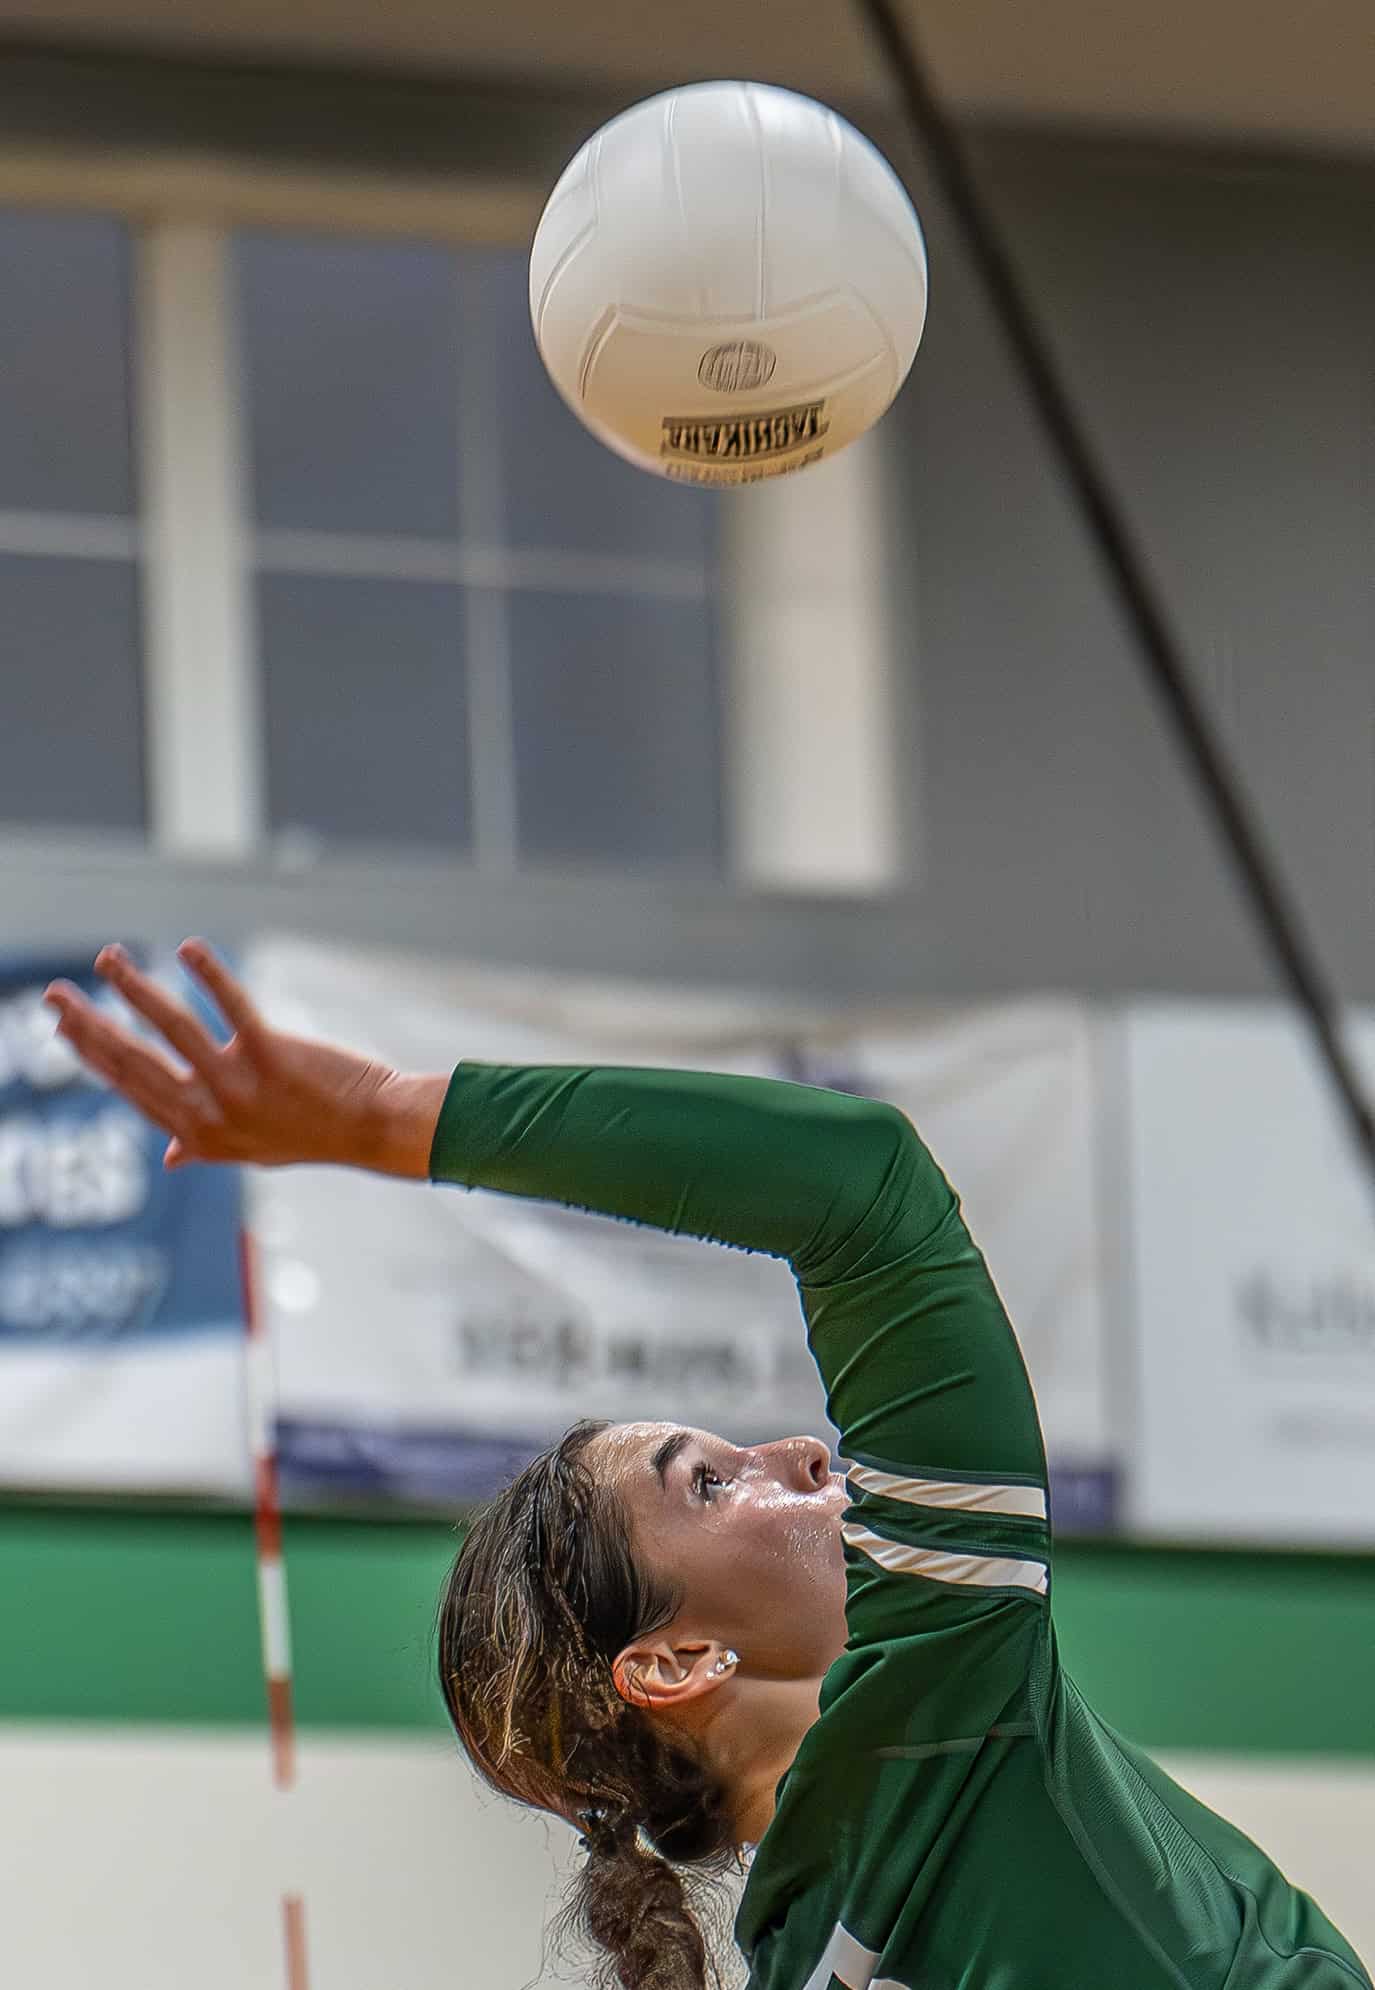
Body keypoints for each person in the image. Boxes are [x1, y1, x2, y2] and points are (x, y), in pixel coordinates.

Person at [46, 940, 1371, 1990]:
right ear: (677, 1663)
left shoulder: (806, 1949)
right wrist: (391, 1118)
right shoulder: (935, 1701)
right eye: (709, 1480)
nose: (800, 1450)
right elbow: (864, 1185)